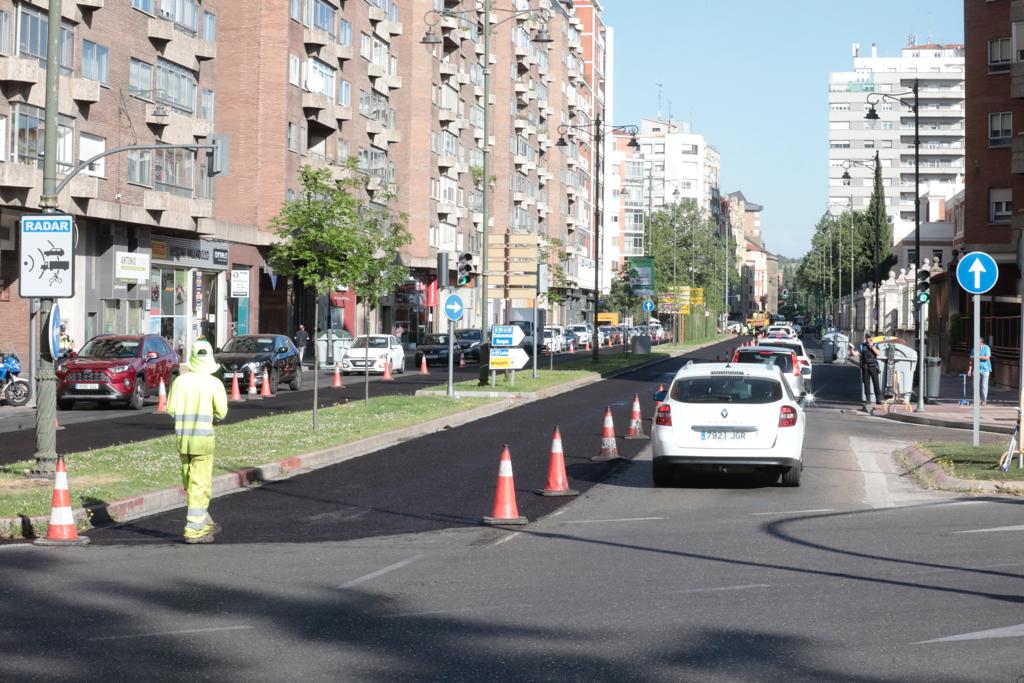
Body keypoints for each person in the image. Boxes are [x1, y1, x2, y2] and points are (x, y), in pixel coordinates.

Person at [166, 340, 228, 544]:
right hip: (203, 442)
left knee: (190, 482)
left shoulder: (180, 382)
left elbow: (171, 409)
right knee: (200, 484)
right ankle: (194, 528)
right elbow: (221, 412)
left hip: (183, 440)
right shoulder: (214, 384)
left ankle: (204, 520)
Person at [858, 333, 883, 408]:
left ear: (871, 338)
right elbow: (858, 352)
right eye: (867, 338)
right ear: (865, 338)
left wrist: (872, 347)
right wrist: (853, 352)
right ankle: (868, 400)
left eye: (869, 338)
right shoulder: (862, 345)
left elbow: (878, 353)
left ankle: (878, 399)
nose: (868, 339)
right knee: (866, 383)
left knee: (876, 382)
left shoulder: (875, 345)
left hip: (873, 366)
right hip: (865, 367)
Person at [968, 337, 992, 406]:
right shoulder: (974, 348)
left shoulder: (986, 348)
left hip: (985, 369)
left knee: (984, 386)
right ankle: (977, 400)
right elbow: (971, 359)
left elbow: (987, 357)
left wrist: (977, 356)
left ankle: (984, 400)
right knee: (975, 385)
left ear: (981, 343)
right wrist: (969, 369)